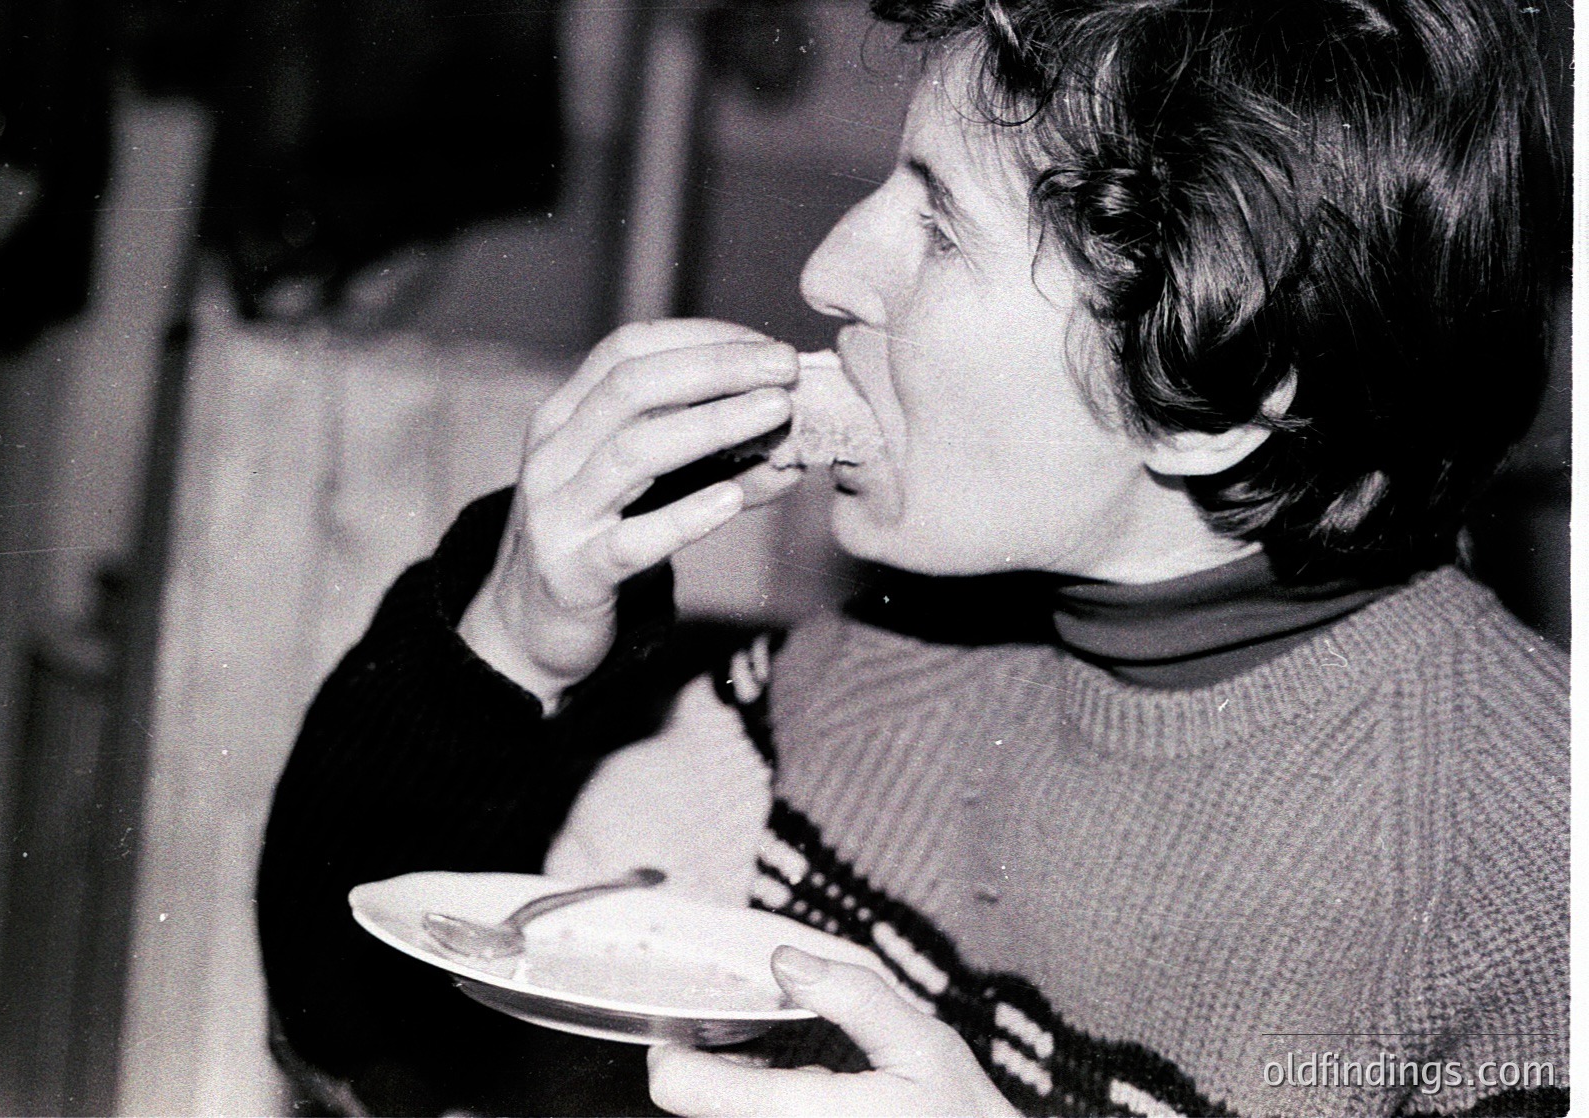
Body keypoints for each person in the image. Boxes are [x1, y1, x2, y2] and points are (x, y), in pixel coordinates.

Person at [257, 0, 1568, 1114]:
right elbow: (373, 1047)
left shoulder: (1531, 880)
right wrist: (506, 642)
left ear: (1219, 391)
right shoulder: (853, 689)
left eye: (940, 229)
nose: (831, 268)